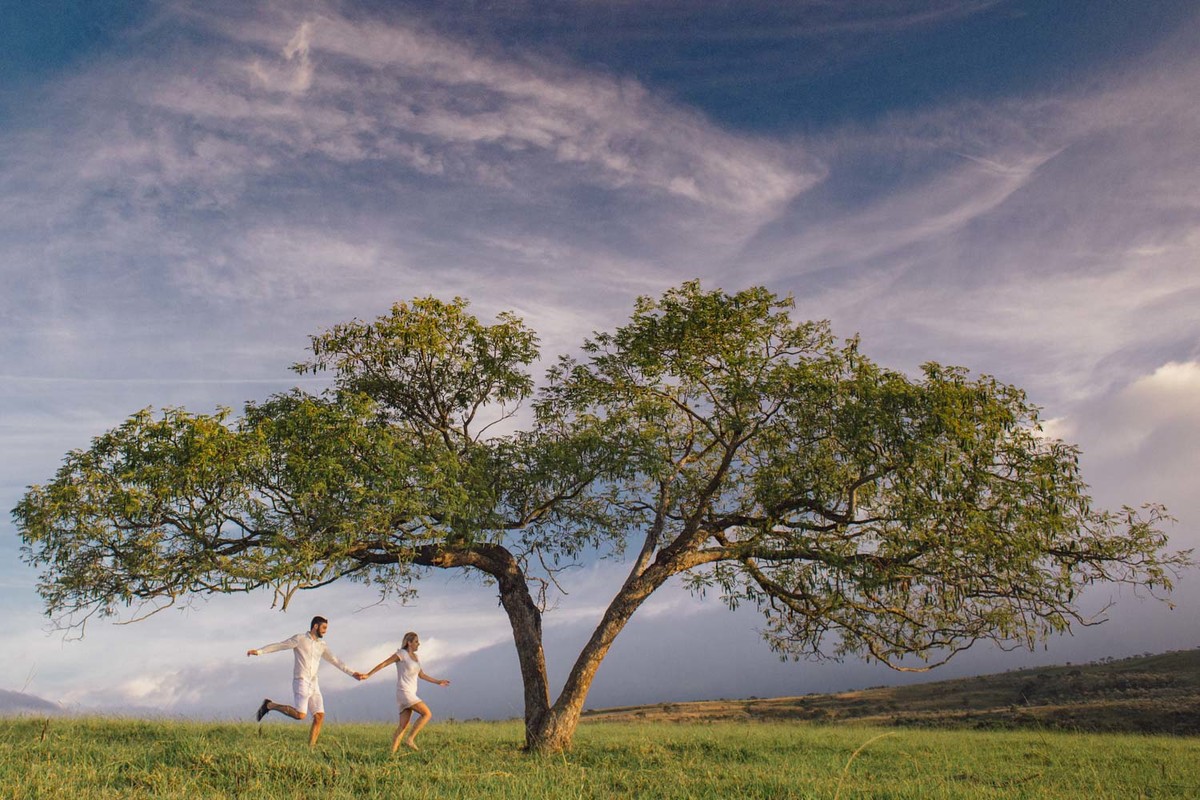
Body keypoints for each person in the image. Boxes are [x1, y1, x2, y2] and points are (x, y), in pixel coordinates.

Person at [246, 616, 365, 747]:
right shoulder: (300, 639)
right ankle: (269, 705)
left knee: (319, 716)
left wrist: (353, 673)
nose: (325, 631)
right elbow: (281, 645)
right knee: (300, 715)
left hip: (314, 683)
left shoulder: (322, 645)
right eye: (324, 627)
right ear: (315, 626)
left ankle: (310, 749)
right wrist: (259, 651)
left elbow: (335, 661)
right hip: (301, 680)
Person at [362, 631, 450, 752]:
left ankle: (391, 755)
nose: (418, 644)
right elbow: (384, 664)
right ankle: (410, 739)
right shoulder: (401, 654)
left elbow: (422, 675)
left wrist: (438, 681)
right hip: (404, 692)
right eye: (416, 642)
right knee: (427, 714)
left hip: (410, 693)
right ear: (409, 643)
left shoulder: (416, 658)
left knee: (403, 726)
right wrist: (368, 674)